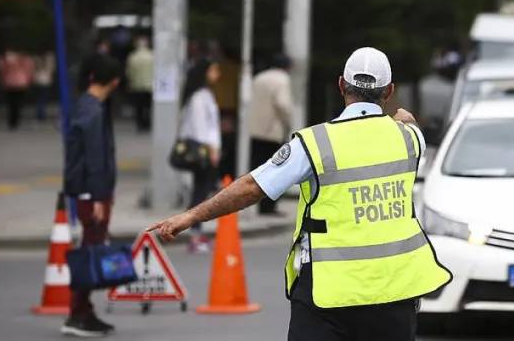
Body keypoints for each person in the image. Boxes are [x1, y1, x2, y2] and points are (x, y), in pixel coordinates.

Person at [148, 47, 452, 341]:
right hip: (395, 293)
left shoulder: (314, 144)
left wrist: (190, 216)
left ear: (341, 85)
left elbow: (253, 187)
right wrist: (403, 120)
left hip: (328, 295)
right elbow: (406, 126)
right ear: (389, 91)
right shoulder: (411, 139)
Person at [62, 55, 120, 337]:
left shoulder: (85, 105)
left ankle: (83, 310)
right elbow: (95, 158)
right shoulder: (94, 111)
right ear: (115, 81)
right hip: (91, 194)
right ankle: (78, 313)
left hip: (88, 192)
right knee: (90, 252)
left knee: (91, 249)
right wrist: (99, 197)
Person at [178, 58, 222, 253]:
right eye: (214, 70)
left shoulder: (204, 94)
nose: (217, 74)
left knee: (202, 190)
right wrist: (212, 150)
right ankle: (194, 234)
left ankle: (197, 232)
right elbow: (200, 127)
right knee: (200, 192)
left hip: (207, 149)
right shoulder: (199, 97)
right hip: (203, 151)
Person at [248, 53, 294, 214]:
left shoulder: (259, 78)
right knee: (275, 170)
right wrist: (288, 122)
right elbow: (283, 104)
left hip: (255, 130)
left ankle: (259, 204)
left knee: (258, 169)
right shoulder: (282, 79)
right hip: (272, 131)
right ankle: (269, 207)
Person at [0, 47, 34, 130]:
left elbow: (2, 71)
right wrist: (28, 81)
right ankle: (15, 120)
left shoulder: (8, 60)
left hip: (10, 83)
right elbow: (29, 72)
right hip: (21, 84)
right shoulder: (26, 60)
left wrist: (2, 81)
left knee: (11, 104)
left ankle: (12, 121)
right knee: (18, 103)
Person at [125, 36, 153, 132]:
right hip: (150, 85)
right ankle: (148, 123)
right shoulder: (152, 56)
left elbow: (129, 73)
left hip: (137, 86)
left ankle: (140, 124)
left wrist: (130, 83)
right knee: (148, 106)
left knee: (139, 107)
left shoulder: (132, 57)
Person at [33, 50, 55, 122]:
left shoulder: (36, 59)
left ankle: (40, 114)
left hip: (37, 80)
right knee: (43, 98)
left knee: (39, 98)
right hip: (45, 80)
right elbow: (52, 69)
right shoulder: (49, 59)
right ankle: (42, 114)